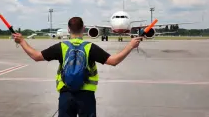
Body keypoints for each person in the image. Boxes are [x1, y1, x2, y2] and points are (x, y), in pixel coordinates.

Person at [13, 17, 142, 117]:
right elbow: (114, 61)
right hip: (86, 96)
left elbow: (36, 56)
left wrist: (22, 41)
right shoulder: (90, 47)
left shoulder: (61, 46)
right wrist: (130, 46)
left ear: (68, 29)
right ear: (84, 28)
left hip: (66, 95)